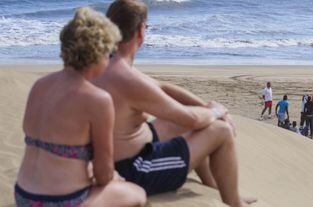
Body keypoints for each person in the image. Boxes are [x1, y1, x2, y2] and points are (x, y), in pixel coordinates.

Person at [93, 1, 256, 206]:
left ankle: (213, 184)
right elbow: (193, 119)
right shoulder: (126, 78)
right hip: (134, 170)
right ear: (141, 32)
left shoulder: (104, 63)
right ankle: (235, 202)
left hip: (118, 155)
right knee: (220, 131)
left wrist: (205, 106)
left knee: (193, 121)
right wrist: (217, 111)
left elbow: (162, 87)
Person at [15, 7, 146, 207]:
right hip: (61, 201)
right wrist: (111, 178)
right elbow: (104, 174)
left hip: (24, 195)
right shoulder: (97, 99)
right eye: (109, 52)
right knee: (137, 194)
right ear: (99, 53)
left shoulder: (39, 86)